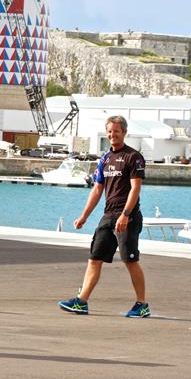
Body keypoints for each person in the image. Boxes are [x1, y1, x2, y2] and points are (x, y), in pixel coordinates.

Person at [58, 115, 150, 318]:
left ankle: (142, 304)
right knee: (95, 258)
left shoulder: (133, 157)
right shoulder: (105, 159)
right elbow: (97, 189)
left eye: (116, 131)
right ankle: (82, 301)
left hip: (128, 217)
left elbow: (136, 189)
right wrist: (84, 216)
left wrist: (125, 215)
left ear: (124, 133)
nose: (112, 135)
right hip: (108, 216)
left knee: (130, 260)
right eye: (109, 131)